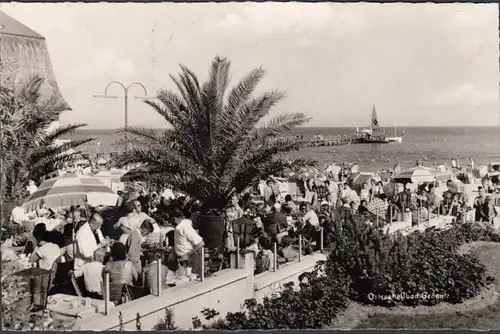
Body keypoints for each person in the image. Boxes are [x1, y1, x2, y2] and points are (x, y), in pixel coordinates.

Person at [28, 229, 61, 311]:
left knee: (34, 287)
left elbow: (30, 260)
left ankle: (36, 306)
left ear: (43, 240)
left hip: (43, 276)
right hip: (52, 275)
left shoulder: (43, 249)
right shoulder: (56, 247)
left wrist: (36, 249)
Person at [171, 208, 205, 281]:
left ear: (174, 218)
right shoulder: (178, 227)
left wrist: (188, 254)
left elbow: (200, 243)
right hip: (183, 261)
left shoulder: (185, 227)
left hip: (191, 260)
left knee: (192, 283)